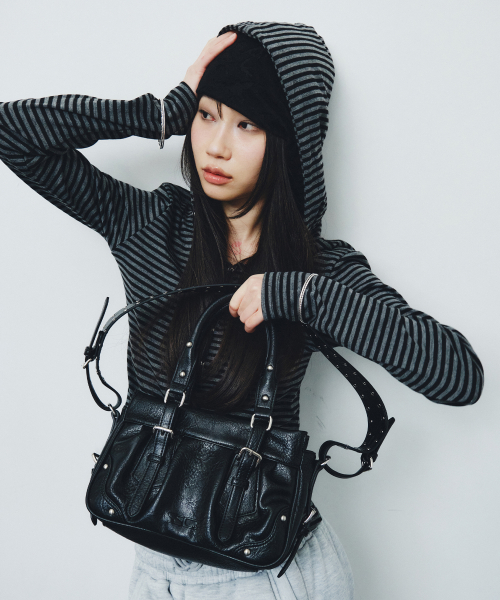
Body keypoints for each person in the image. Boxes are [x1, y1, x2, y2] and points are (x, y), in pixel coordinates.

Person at [0, 20, 483, 600]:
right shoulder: (149, 225)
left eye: (246, 124)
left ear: (287, 142)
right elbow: (11, 131)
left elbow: (458, 376)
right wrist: (157, 113)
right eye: (207, 115)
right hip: (153, 565)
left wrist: (300, 296)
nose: (216, 146)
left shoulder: (320, 269)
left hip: (268, 577)